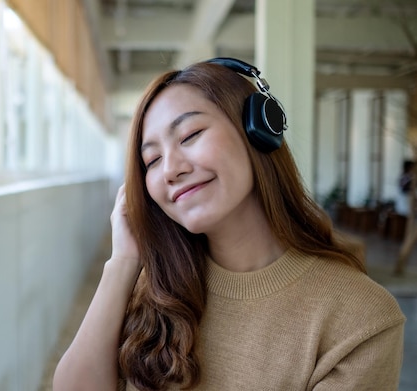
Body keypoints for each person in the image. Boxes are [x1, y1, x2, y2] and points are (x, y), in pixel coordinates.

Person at [53, 58, 406, 391]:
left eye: (190, 136)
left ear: (258, 132)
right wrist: (123, 263)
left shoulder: (361, 318)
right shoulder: (154, 283)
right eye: (153, 159)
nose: (171, 168)